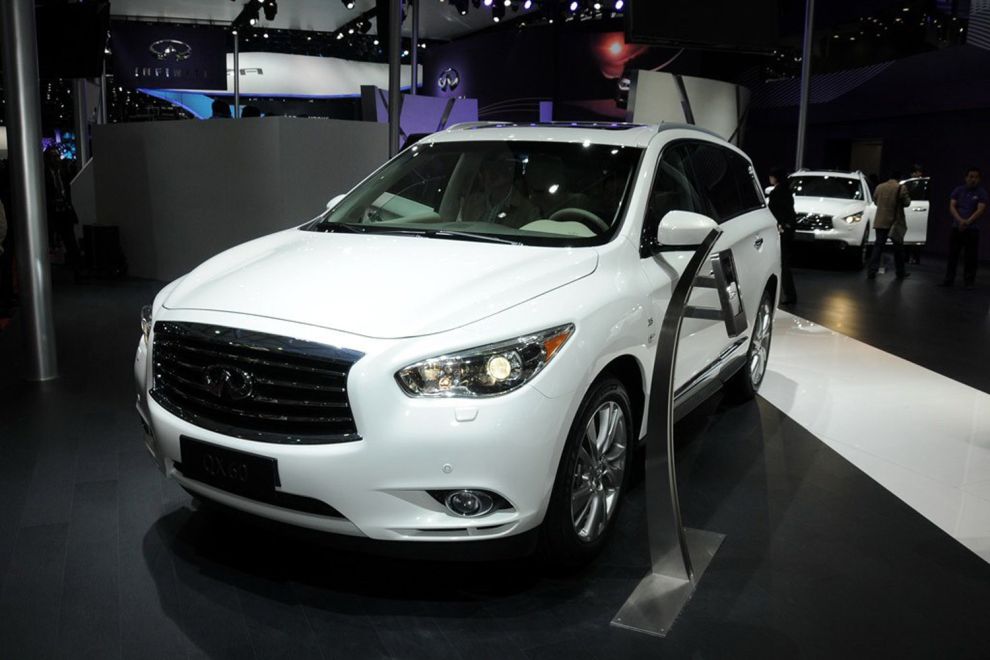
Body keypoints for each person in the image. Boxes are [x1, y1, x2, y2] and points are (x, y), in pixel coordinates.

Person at [941, 166, 987, 288]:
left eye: (976, 177)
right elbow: (952, 206)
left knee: (970, 257)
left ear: (979, 179)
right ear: (966, 178)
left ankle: (969, 282)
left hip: (972, 230)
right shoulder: (958, 190)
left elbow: (980, 210)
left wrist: (967, 222)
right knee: (953, 255)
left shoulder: (981, 192)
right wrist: (960, 221)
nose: (973, 179)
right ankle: (949, 280)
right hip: (957, 228)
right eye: (971, 177)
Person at [43, 146, 81, 272]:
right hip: (52, 213)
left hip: (65, 211)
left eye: (57, 156)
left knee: (71, 241)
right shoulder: (44, 176)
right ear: (48, 159)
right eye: (54, 157)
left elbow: (67, 192)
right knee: (52, 242)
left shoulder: (63, 173)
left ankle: (75, 268)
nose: (57, 159)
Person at [867, 170, 910, 280]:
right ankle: (900, 272)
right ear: (899, 178)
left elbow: (875, 201)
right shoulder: (901, 188)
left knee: (878, 247)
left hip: (880, 221)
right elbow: (907, 203)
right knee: (898, 249)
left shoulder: (879, 187)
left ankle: (872, 271)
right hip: (894, 222)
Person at [767, 166, 797, 304]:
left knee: (783, 264)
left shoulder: (777, 192)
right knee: (784, 263)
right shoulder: (787, 191)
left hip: (781, 230)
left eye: (771, 176)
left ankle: (789, 295)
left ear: (775, 177)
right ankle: (788, 294)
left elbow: (775, 212)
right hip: (787, 229)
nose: (770, 178)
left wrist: (781, 225)